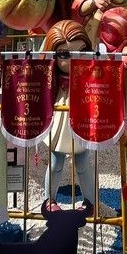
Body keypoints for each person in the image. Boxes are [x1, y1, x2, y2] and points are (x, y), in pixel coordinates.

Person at [41, 20, 95, 215]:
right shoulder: (51, 80)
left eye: (81, 51)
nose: (73, 58)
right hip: (60, 123)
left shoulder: (90, 76)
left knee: (83, 164)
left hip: (82, 121)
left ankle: (90, 201)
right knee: (56, 163)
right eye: (64, 54)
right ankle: (48, 200)